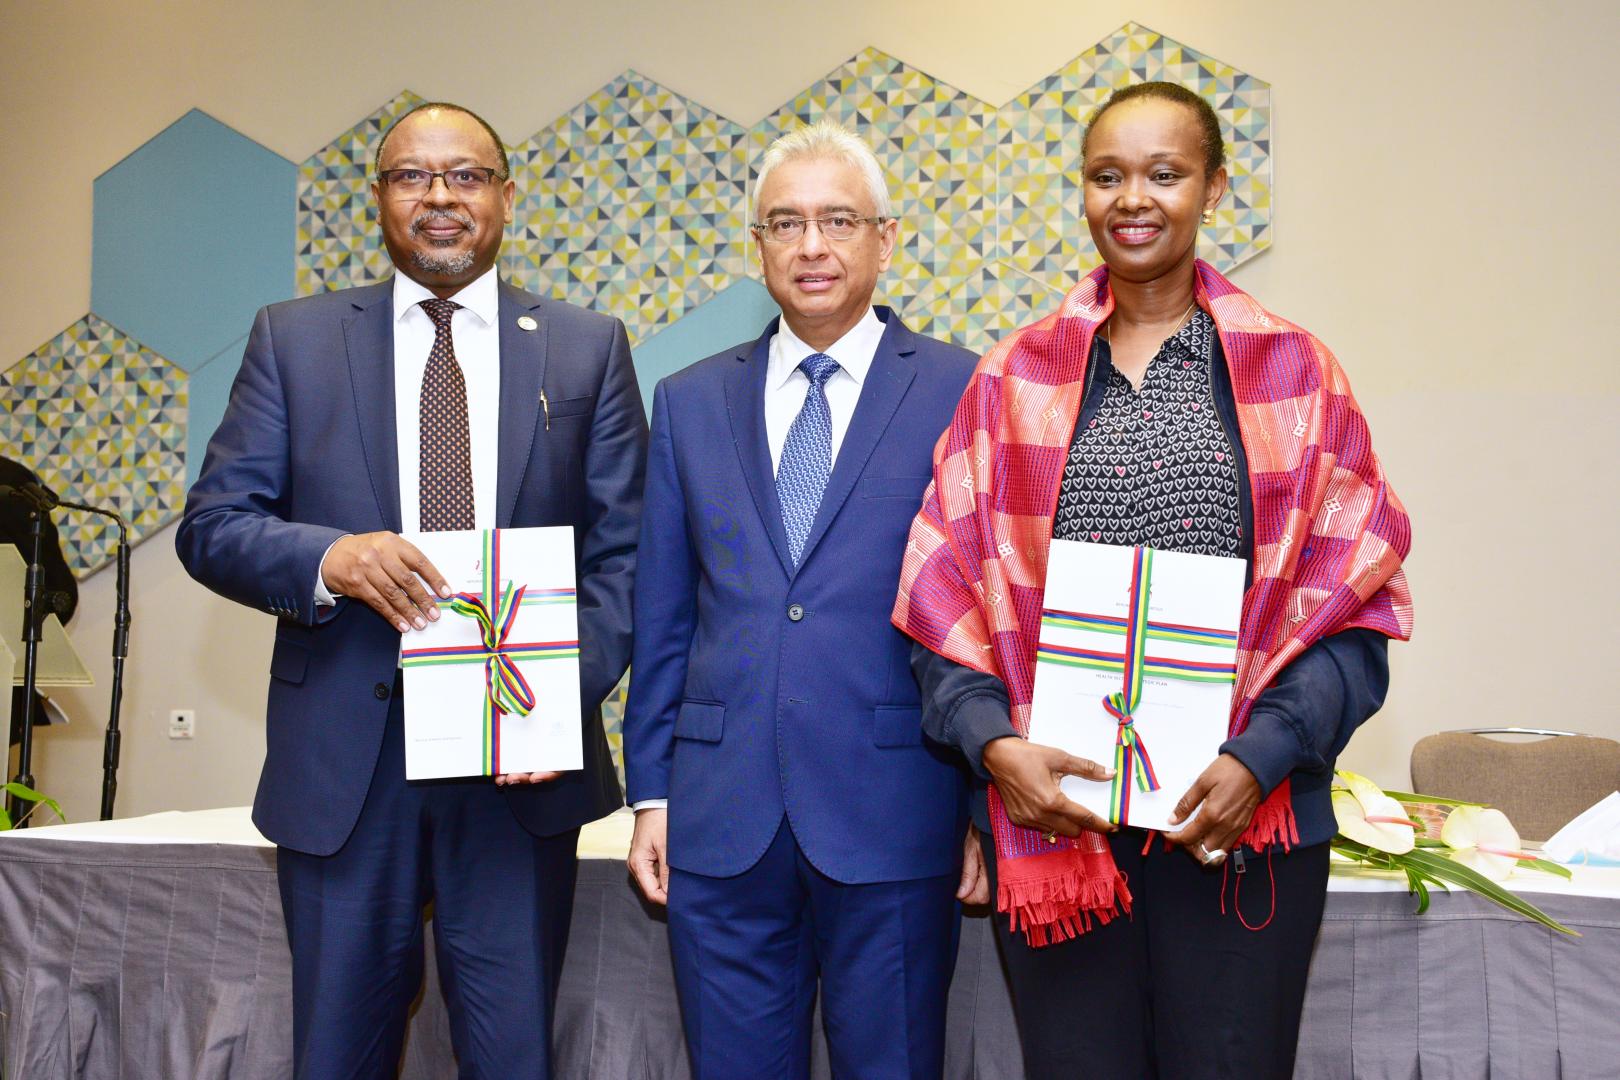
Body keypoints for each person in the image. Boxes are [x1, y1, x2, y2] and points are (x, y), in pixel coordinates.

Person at [895, 82, 1412, 1079]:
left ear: (1214, 187)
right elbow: (942, 593)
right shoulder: (1012, 379)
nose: (1133, 197)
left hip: (1240, 824)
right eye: (1107, 175)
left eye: (1164, 173)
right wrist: (994, 746)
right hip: (1061, 826)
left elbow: (1354, 606)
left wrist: (1264, 755)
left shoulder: (1297, 376)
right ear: (1084, 194)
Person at [176, 102, 646, 1079]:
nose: (440, 197)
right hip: (348, 772)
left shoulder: (584, 347)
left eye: (466, 175)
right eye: (411, 176)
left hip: (516, 773)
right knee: (337, 1057)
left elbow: (627, 560)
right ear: (380, 199)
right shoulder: (291, 341)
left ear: (506, 197)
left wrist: (551, 698)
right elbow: (213, 527)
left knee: (513, 1058)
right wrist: (327, 559)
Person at [622, 121, 982, 1080]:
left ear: (885, 237)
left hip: (897, 804)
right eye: (786, 223)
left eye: (837, 221)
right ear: (758, 247)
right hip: (717, 814)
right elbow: (663, 615)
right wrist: (650, 792)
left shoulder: (964, 391)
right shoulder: (689, 400)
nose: (811, 246)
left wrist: (988, 808)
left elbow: (995, 615)